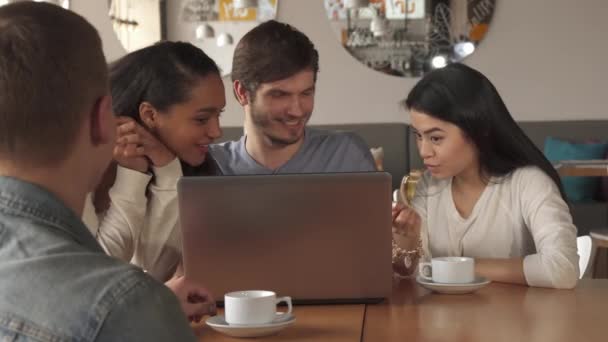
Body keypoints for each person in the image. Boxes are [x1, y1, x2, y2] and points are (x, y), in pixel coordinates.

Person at [0, 3, 212, 341]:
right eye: (202, 118)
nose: (214, 131)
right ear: (103, 120)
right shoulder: (125, 306)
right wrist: (147, 307)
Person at [391, 63, 579, 289]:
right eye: (419, 136)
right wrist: (406, 240)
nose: (423, 151)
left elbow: (563, 268)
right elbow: (417, 273)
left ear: (478, 129)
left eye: (436, 138)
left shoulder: (529, 183)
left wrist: (462, 267)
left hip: (519, 321)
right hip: (441, 322)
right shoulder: (428, 187)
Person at [88, 41, 225, 282]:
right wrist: (132, 176)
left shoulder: (190, 167)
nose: (216, 132)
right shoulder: (84, 164)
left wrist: (167, 167)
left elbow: (154, 271)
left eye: (218, 115)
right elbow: (97, 274)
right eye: (202, 119)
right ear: (150, 115)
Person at [209, 20, 376, 174]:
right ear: (242, 92)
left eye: (306, 93)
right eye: (279, 95)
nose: (296, 111)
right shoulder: (212, 165)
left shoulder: (346, 154)